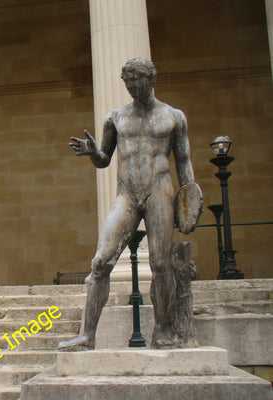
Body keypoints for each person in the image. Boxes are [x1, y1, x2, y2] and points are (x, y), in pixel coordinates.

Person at [59, 57, 198, 349]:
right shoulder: (116, 117)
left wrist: (188, 197)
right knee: (100, 262)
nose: (132, 87)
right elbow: (105, 160)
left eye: (137, 80)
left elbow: (183, 161)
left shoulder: (173, 117)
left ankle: (161, 330)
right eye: (127, 82)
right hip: (127, 194)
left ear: (151, 79)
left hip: (159, 190)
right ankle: (88, 336)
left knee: (160, 264)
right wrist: (93, 152)